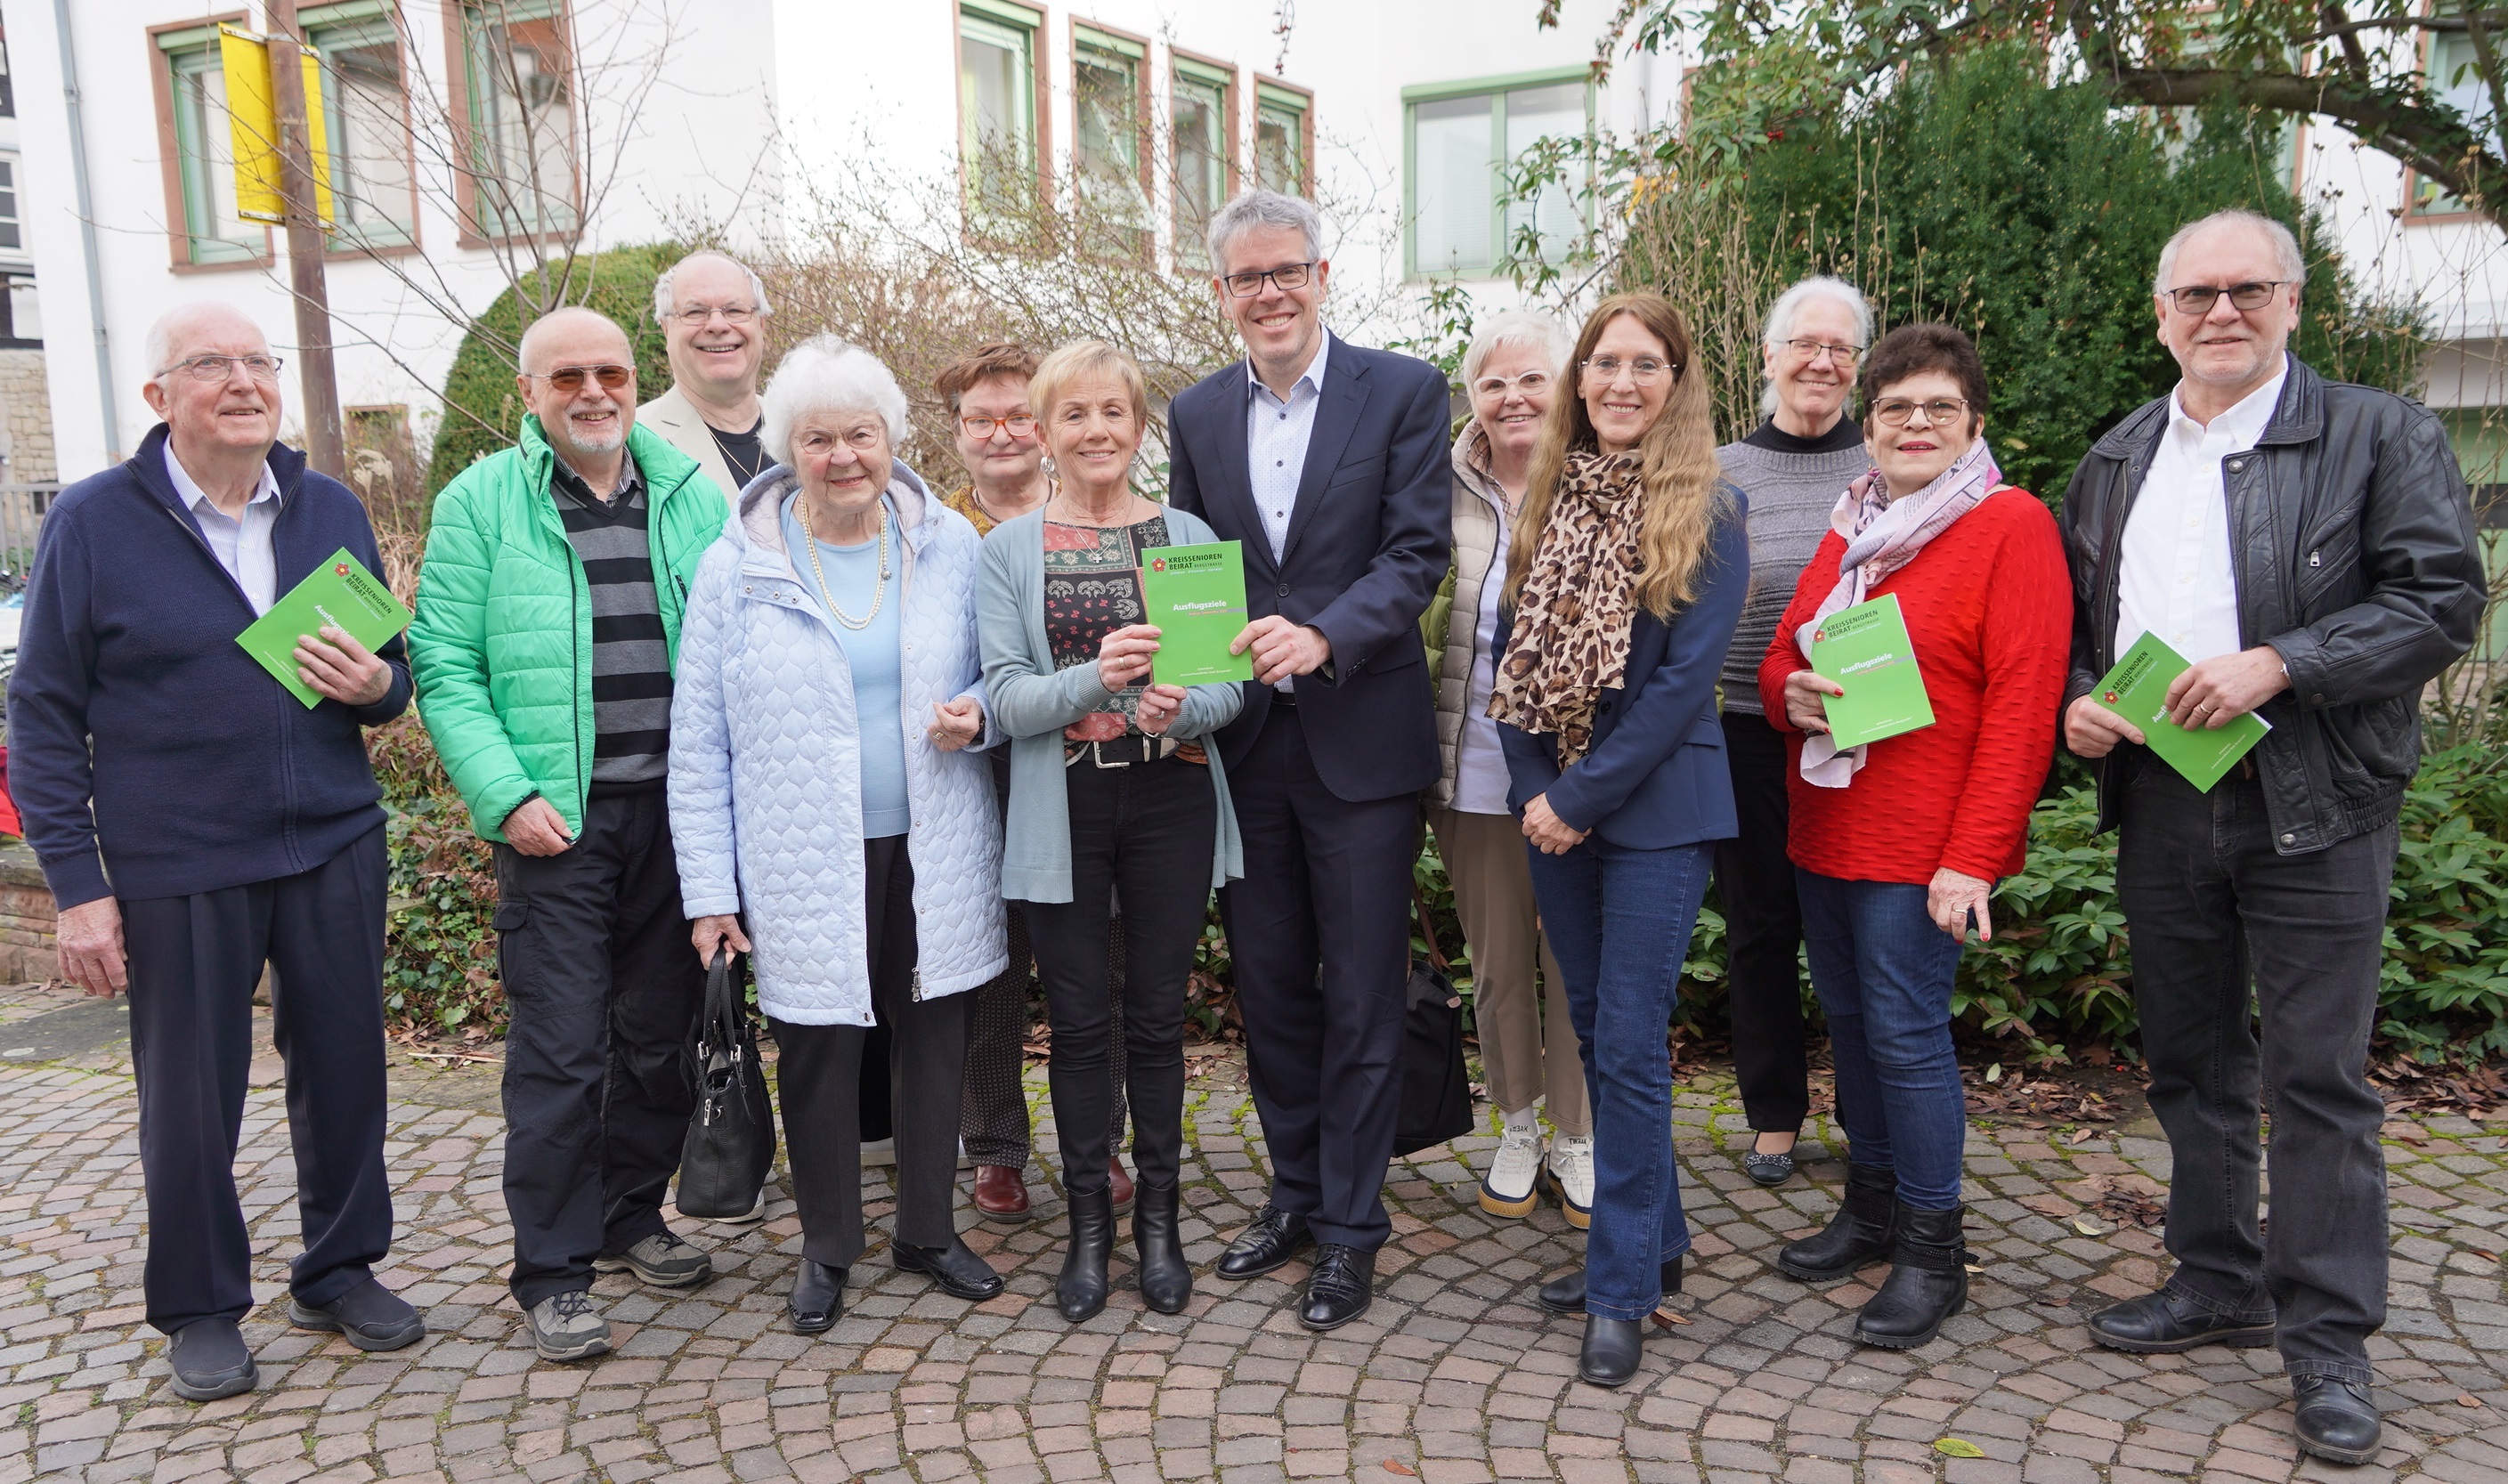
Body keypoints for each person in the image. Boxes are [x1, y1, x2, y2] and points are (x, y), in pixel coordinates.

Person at [2060, 210, 2483, 1466]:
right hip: (2162, 795)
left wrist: (2281, 663)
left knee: (2317, 1076)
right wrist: (2081, 698)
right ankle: (2216, 1274)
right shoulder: (2119, 455)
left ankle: (2329, 1338)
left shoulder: (2376, 432)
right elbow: (2086, 619)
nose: (2221, 313)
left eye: (2248, 289)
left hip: (2315, 795)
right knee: (2190, 1058)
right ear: (2160, 314)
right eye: (2195, 294)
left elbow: (2442, 599)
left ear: (2294, 301)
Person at [9, 304, 422, 1400]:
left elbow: (395, 672)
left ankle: (340, 1267)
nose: (242, 382)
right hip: (177, 859)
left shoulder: (326, 506)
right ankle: (198, 1304)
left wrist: (381, 684)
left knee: (345, 1071)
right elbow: (43, 714)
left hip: (331, 838)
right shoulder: (95, 523)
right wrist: (79, 886)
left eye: (256, 362)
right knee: (190, 1098)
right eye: (210, 365)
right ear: (159, 398)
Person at [670, 334, 1011, 1336]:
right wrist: (710, 891)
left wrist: (980, 712)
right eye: (817, 438)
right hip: (800, 847)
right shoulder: (737, 567)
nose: (842, 455)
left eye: (860, 433)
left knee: (934, 1032)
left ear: (892, 438)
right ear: (788, 449)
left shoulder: (951, 545)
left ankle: (926, 1228)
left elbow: (1007, 670)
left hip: (935, 833)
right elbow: (700, 739)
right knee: (817, 1043)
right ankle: (828, 1244)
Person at [410, 307, 730, 1362]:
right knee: (558, 1055)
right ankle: (553, 1270)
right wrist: (504, 795)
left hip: (679, 819)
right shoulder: (481, 503)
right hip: (558, 825)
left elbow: (733, 644)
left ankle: (630, 1213)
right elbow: (446, 664)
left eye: (610, 373)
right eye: (567, 378)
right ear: (531, 396)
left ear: (635, 381)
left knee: (660, 1037)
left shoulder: (685, 489)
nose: (593, 393)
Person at [1166, 189, 1451, 1332]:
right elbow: (1188, 569)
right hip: (1244, 747)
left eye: (1288, 271)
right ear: (1223, 295)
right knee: (1273, 989)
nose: (1270, 294)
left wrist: (1327, 631)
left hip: (1360, 742)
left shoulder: (1405, 391)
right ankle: (1293, 1193)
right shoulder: (1192, 414)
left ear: (1323, 276)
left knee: (1364, 995)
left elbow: (1417, 549)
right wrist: (1185, 698)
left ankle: (1351, 1229)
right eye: (1247, 278)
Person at [1759, 323, 2069, 1351]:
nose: (1916, 423)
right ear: (1870, 425)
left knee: (1905, 1035)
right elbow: (1780, 656)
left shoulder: (2008, 525)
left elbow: (2025, 705)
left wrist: (1974, 855)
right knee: (1851, 1028)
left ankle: (1934, 1252)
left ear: (1973, 422)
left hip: (1922, 842)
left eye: (1939, 406)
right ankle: (1872, 1205)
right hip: (1829, 823)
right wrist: (1791, 694)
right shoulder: (1856, 525)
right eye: (1895, 407)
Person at [1489, 292, 1749, 1389]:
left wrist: (1578, 796)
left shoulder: (1713, 510)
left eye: (1646, 363)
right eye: (1604, 362)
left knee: (1632, 1046)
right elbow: (1509, 669)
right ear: (1580, 378)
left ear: (1677, 381)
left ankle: (1621, 1285)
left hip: (1654, 813)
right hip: (1557, 812)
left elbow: (1684, 686)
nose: (1621, 381)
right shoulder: (1549, 499)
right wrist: (1537, 791)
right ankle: (1659, 1243)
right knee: (1600, 1035)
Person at [977, 339, 1245, 1322]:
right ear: (1045, 433)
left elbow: (1230, 682)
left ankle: (1160, 1225)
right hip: (1067, 805)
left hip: (1170, 797)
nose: (1096, 430)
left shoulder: (1182, 533)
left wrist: (1187, 709)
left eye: (1113, 412)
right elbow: (1006, 701)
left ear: (1140, 426)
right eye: (1074, 415)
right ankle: (1090, 1228)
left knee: (1156, 1020)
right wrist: (1103, 678)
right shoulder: (1011, 548)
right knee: (1082, 1026)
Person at [937, 342, 1135, 1225]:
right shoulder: (936, 535)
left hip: (1086, 777)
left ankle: (1104, 1140)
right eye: (983, 418)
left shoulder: (1097, 521)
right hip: (975, 786)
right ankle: (995, 1150)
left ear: (1049, 426)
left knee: (1104, 968)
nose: (1004, 433)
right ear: (959, 433)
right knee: (991, 972)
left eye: (1021, 413)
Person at [1423, 309, 1593, 1223]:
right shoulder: (1436, 484)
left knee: (1574, 957)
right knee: (1495, 963)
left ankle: (1579, 1133)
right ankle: (1518, 1123)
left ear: (1562, 387)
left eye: (1532, 379)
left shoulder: (1598, 482)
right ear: (1473, 397)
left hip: (1575, 772)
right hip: (1471, 761)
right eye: (1494, 382)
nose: (1514, 397)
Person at [1714, 277, 1874, 1188]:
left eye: (1840, 348)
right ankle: (1774, 1111)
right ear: (1769, 357)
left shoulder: (1890, 461)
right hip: (1743, 726)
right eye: (1802, 345)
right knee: (1760, 928)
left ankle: (1865, 1108)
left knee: (1854, 927)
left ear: (1858, 365)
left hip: (1863, 732)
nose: (1820, 362)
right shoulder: (1723, 468)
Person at [640, 249, 775, 499]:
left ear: (762, 324)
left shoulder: (800, 429)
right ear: (666, 328)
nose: (717, 325)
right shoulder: (635, 442)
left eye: (735, 310)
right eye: (695, 312)